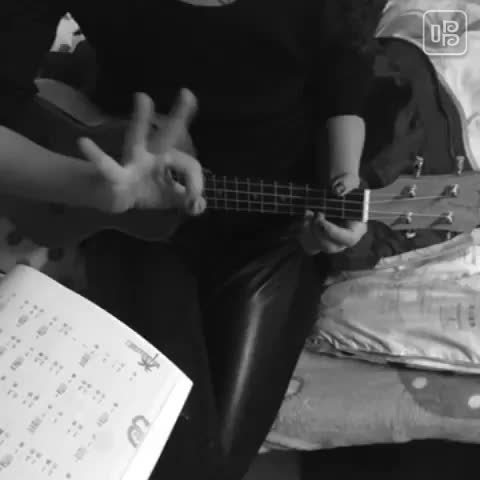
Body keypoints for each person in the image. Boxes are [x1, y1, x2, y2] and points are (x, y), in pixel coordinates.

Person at [0, 0, 386, 478]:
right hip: (134, 214)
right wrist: (87, 186)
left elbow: (344, 64)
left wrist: (343, 181)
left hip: (273, 222)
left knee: (216, 458)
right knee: (177, 460)